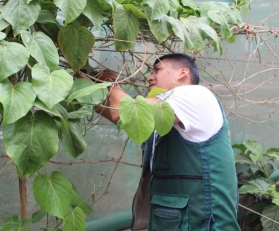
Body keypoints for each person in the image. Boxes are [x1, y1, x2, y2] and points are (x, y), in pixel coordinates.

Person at [95, 53, 240, 231]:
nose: (149, 77)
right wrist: (87, 81)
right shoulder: (167, 116)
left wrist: (108, 81)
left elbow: (126, 113)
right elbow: (114, 113)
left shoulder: (194, 94)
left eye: (157, 70)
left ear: (182, 73)